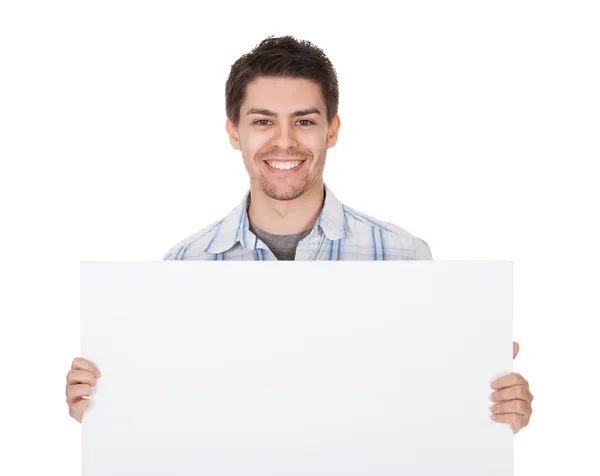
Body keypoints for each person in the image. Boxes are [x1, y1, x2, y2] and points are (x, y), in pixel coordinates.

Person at [66, 35, 533, 433]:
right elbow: (170, 414)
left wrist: (490, 406)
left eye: (305, 121)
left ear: (332, 130)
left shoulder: (404, 256)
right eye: (263, 121)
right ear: (234, 132)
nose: (284, 141)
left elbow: (430, 407)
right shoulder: (182, 267)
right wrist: (107, 407)